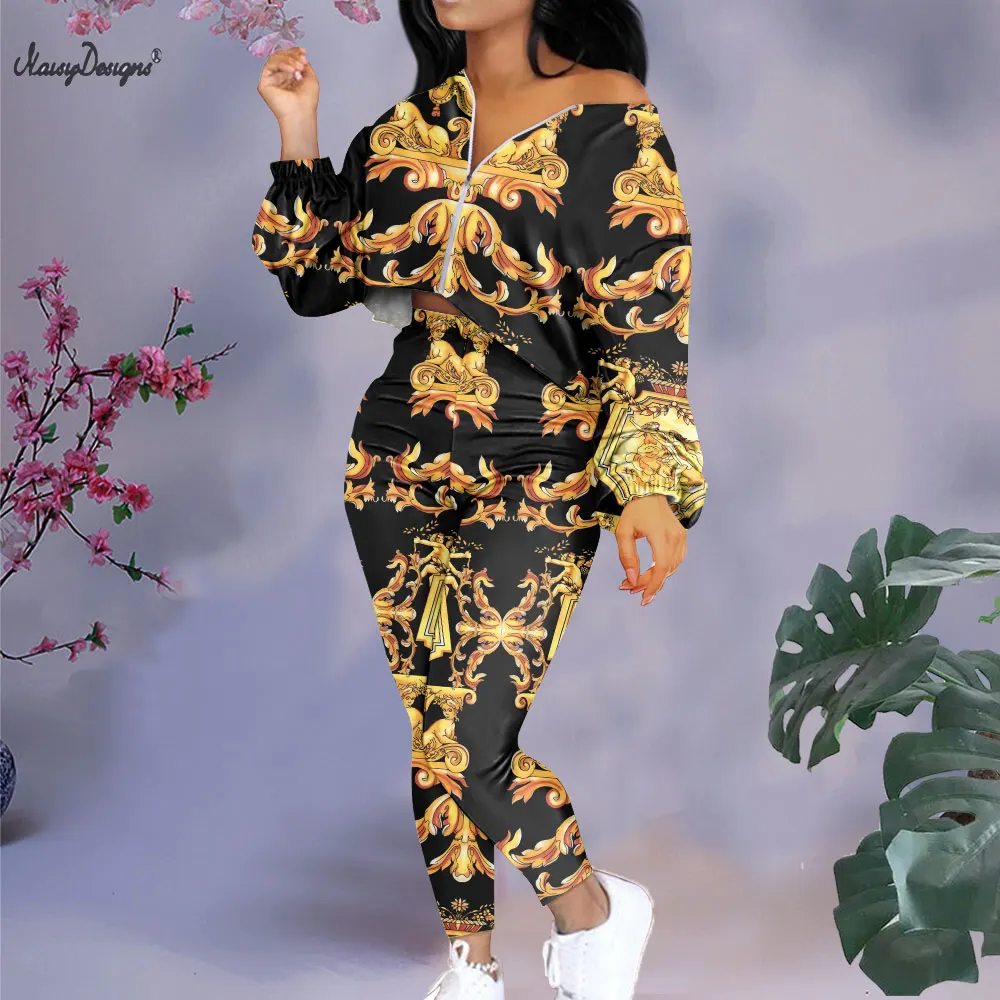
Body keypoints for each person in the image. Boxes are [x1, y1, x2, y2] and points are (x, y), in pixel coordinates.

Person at [251, 1, 707, 996]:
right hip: (392, 460)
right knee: (436, 728)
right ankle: (471, 967)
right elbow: (317, 279)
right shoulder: (408, 127)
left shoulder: (610, 115)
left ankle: (589, 911)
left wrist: (648, 485)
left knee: (466, 735)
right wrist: (299, 128)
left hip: (540, 461)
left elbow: (645, 317)